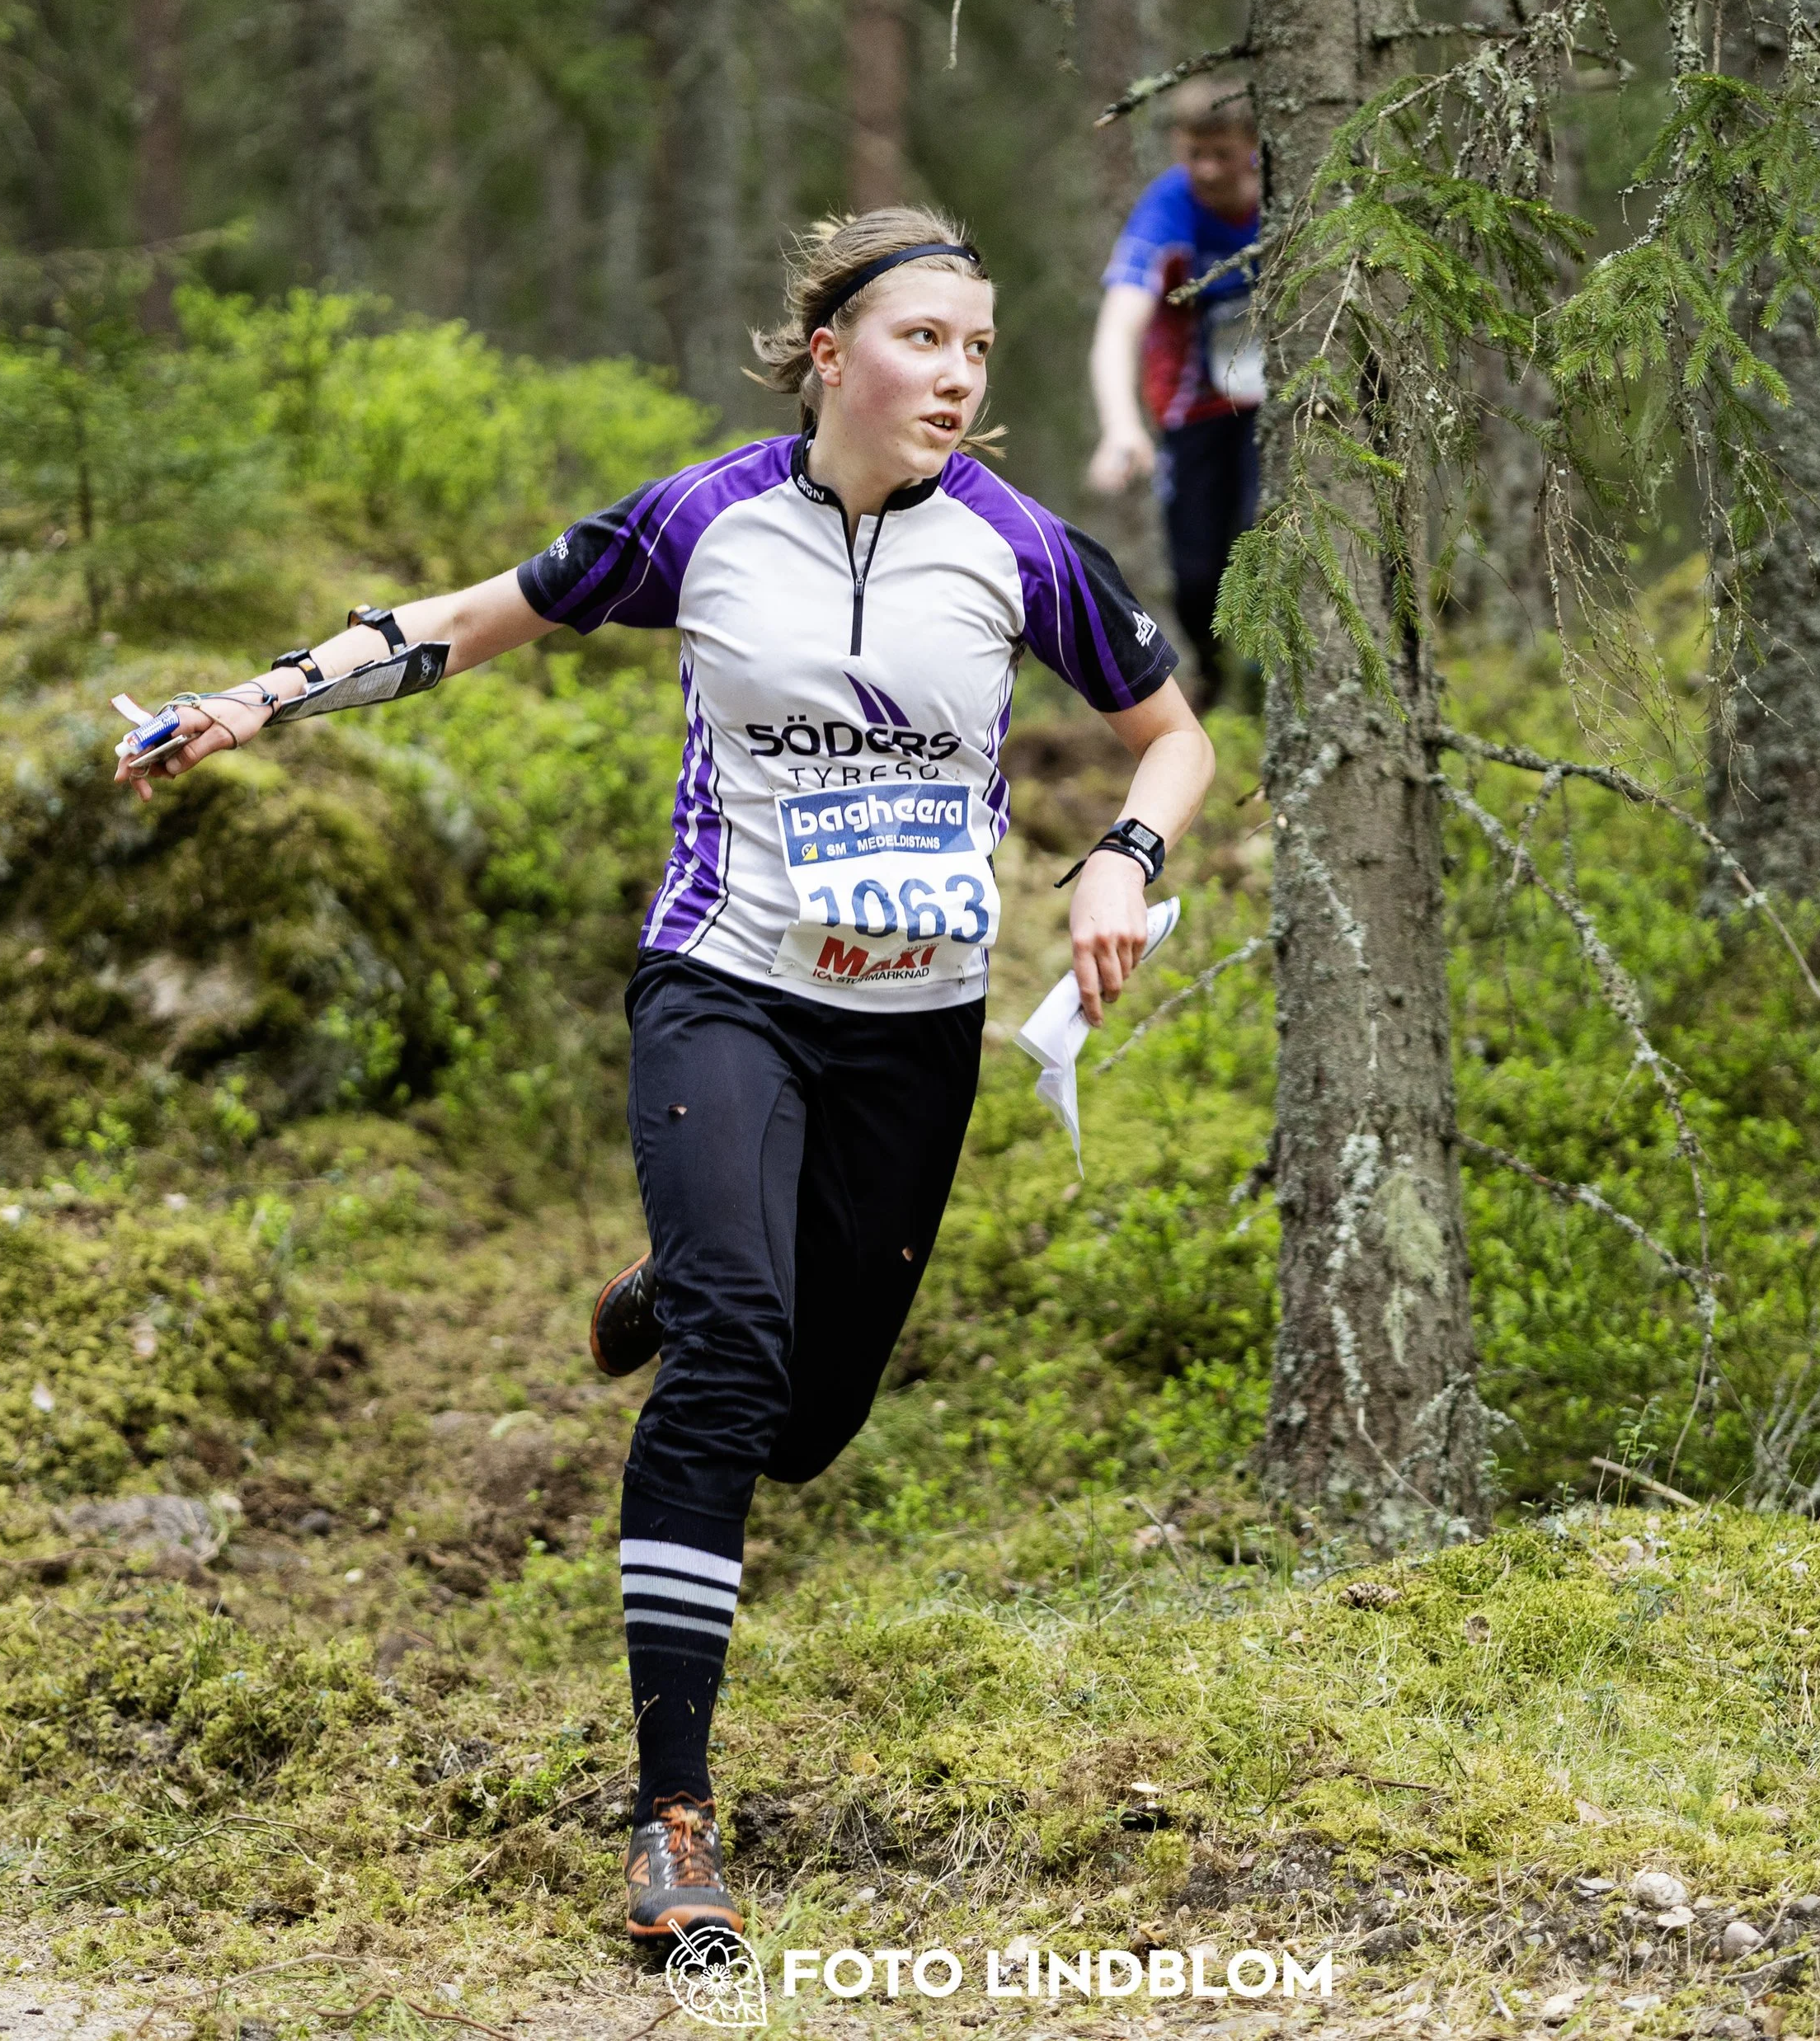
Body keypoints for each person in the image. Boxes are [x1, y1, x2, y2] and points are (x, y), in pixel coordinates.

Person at [113, 205, 1215, 1955]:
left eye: (981, 349)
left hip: (911, 1024)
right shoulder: (702, 518)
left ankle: (686, 1270)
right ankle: (671, 1819)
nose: (957, 375)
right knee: (730, 1367)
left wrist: (1124, 863)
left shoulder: (1016, 546)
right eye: (925, 338)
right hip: (726, 985)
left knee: (812, 1414)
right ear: (829, 349)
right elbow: (478, 616)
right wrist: (261, 697)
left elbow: (1176, 733)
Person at [1087, 74, 1262, 705]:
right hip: (1196, 411)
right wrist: (1122, 426)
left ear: (1254, 145)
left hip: (1280, 401)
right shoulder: (1167, 211)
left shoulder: (1287, 193)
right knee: (1196, 576)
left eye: (1223, 154)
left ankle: (1271, 692)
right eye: (1194, 154)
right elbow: (1118, 328)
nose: (1208, 170)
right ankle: (1214, 673)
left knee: (1266, 529)